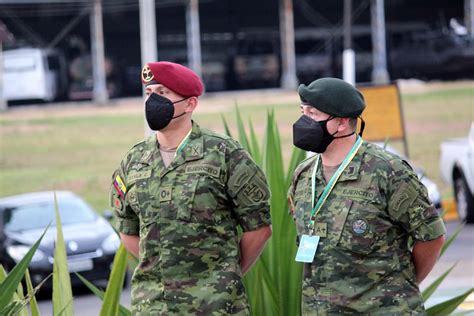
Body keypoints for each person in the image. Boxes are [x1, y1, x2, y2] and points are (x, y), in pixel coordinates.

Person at [110, 61, 272, 315]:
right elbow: (128, 231)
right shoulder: (134, 160)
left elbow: (259, 229)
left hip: (216, 305)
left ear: (190, 104)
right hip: (153, 306)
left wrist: (224, 273)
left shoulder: (225, 154)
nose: (152, 101)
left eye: (163, 93)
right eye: (149, 94)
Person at [287, 78, 446, 314]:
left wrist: (401, 288)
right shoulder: (304, 174)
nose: (304, 121)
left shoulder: (386, 171)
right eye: (303, 111)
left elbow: (431, 236)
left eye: (313, 113)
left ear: (341, 122)